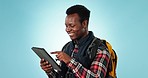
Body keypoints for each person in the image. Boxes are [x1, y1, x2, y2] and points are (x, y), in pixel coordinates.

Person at [40, 5, 111, 78]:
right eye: (66, 26)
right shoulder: (66, 47)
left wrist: (70, 61)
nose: (67, 29)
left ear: (84, 24)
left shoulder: (100, 49)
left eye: (72, 25)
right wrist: (49, 71)